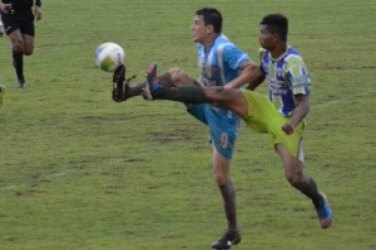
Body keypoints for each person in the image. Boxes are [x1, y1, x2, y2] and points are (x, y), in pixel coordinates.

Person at [142, 13, 333, 233]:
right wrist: (245, 92)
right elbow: (260, 72)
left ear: (276, 37)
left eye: (263, 34)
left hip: (286, 121)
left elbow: (305, 104)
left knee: (294, 177)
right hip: (265, 109)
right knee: (221, 93)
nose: (259, 37)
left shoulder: (294, 64)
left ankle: (318, 200)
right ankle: (160, 91)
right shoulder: (267, 53)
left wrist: (292, 124)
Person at [112, 7, 260, 250]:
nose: (192, 27)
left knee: (221, 178)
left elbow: (253, 69)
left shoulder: (225, 48)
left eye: (196, 23)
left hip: (224, 117)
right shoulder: (203, 46)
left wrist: (228, 92)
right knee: (177, 75)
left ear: (209, 28)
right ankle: (127, 93)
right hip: (206, 105)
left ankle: (233, 232)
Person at [0, 0, 42, 88]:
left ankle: (16, 58)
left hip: (26, 13)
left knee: (28, 50)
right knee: (18, 44)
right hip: (9, 13)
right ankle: (21, 80)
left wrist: (38, 6)